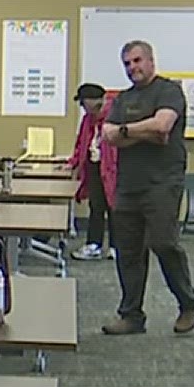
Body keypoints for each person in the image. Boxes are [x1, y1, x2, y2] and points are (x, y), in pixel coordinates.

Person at [102, 40, 194, 336]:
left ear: (150, 61)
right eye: (127, 64)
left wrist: (126, 130)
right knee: (128, 251)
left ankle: (189, 302)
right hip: (129, 184)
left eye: (137, 61)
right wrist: (140, 132)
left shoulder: (169, 91)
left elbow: (162, 128)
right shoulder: (123, 98)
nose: (132, 68)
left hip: (163, 182)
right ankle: (131, 315)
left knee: (163, 243)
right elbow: (109, 136)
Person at [70, 84, 119, 261]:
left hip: (113, 168)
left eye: (83, 103)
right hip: (94, 166)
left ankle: (116, 246)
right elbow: (80, 144)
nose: (82, 107)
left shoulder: (116, 116)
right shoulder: (87, 120)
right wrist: (73, 162)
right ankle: (94, 244)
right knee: (96, 207)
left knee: (115, 207)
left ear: (92, 101)